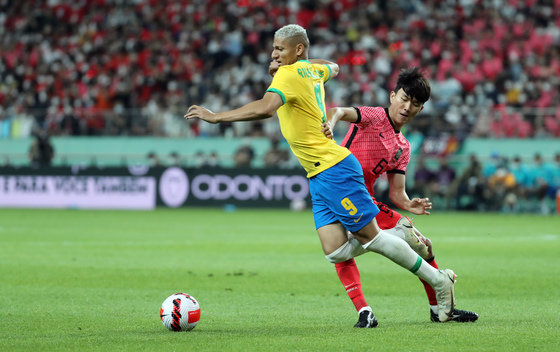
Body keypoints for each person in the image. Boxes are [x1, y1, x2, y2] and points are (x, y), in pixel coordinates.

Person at [185, 25, 457, 327]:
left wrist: (216, 116)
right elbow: (334, 67)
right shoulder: (309, 71)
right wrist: (301, 63)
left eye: (279, 49)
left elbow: (265, 109)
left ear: (298, 49)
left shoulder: (288, 75)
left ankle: (438, 280)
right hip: (320, 171)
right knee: (337, 252)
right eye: (274, 49)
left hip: (332, 167)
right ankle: (394, 238)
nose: (273, 55)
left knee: (372, 239)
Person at [323, 67, 478, 324]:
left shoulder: (403, 147)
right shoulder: (373, 116)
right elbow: (338, 110)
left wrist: (409, 203)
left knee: (421, 244)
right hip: (339, 188)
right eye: (404, 98)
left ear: (421, 109)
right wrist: (330, 124)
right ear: (393, 95)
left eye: (415, 103)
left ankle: (433, 308)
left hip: (363, 198)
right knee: (348, 249)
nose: (407, 107)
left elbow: (397, 193)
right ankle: (439, 288)